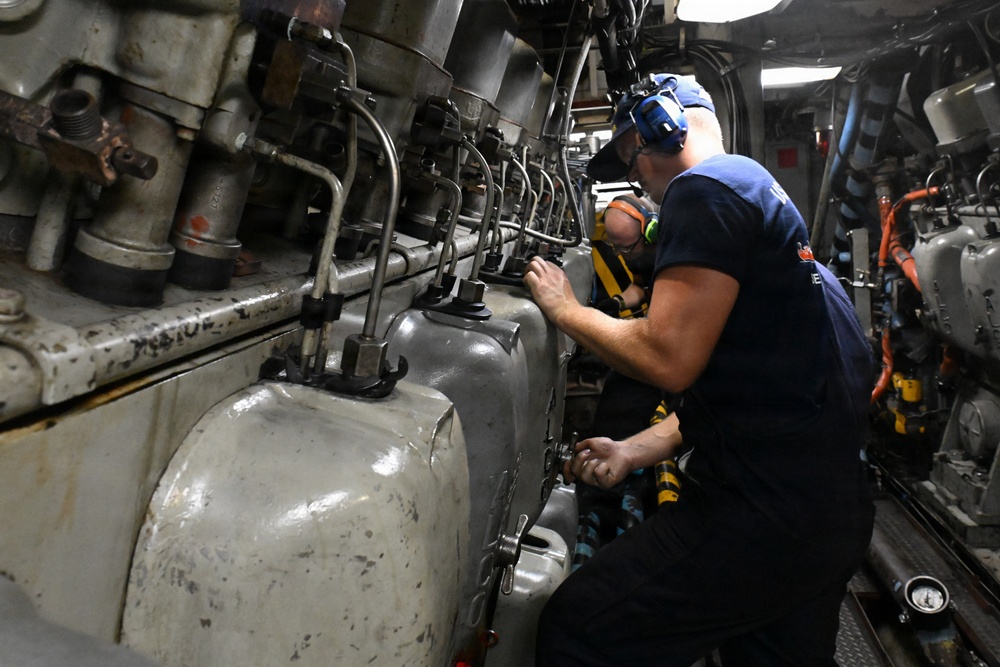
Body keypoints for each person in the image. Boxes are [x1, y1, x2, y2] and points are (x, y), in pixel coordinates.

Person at [524, 72, 875, 665]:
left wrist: (566, 310)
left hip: (759, 516)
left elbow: (668, 358)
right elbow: (752, 389)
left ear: (662, 128)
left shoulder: (703, 189)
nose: (636, 177)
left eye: (632, 157)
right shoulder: (758, 189)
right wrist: (631, 451)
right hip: (827, 516)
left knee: (578, 628)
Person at [592, 194, 659, 317]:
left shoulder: (673, 261)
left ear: (650, 233)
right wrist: (617, 303)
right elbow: (640, 287)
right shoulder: (634, 251)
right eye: (613, 245)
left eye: (624, 247)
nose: (617, 253)